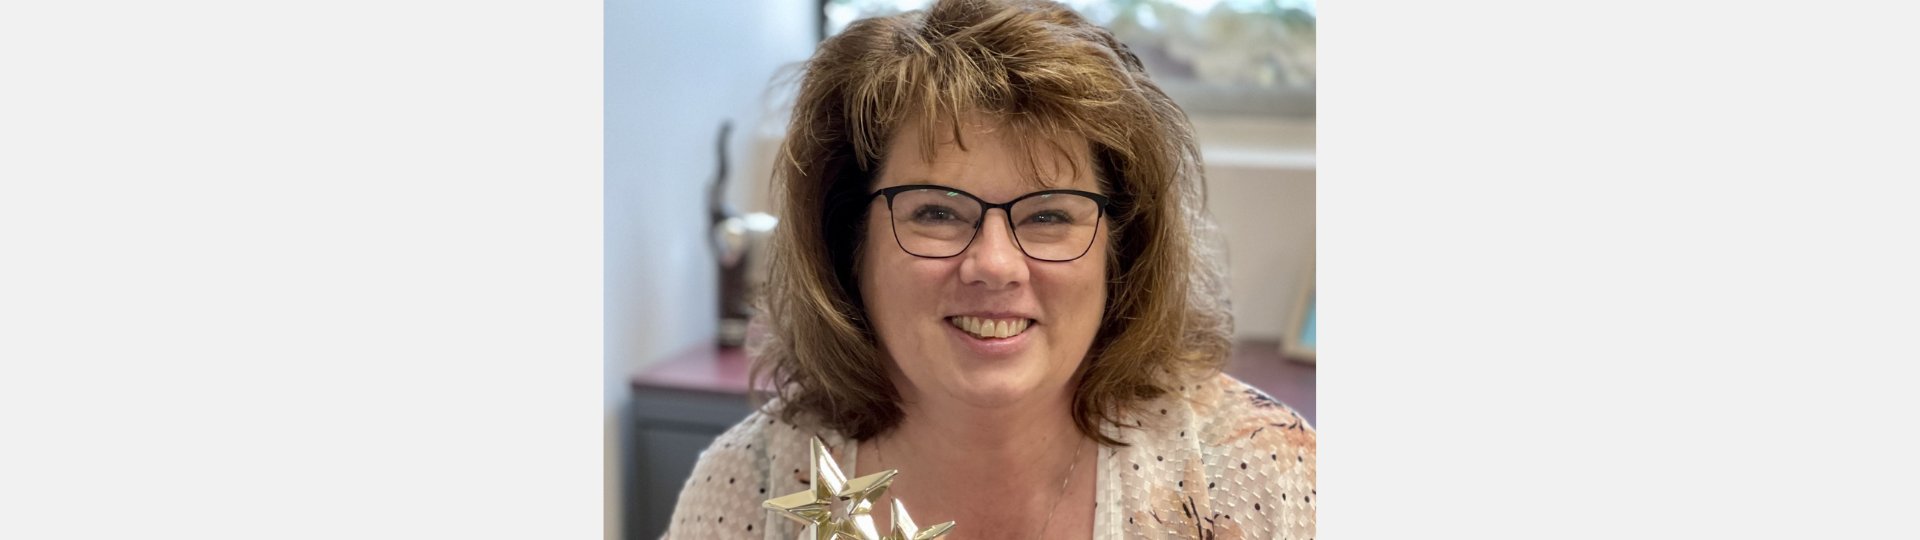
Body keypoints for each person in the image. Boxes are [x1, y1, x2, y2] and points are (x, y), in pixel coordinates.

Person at [663, 0, 1314, 538]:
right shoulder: (748, 491)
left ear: (1122, 246)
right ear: (848, 241)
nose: (995, 264)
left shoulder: (1263, 473)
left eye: (1050, 215)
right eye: (936, 213)